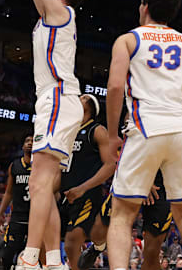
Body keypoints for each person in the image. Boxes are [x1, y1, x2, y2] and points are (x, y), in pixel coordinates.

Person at [0, 0, 89, 270]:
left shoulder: (60, 12)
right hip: (55, 100)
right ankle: (53, 260)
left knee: (38, 183)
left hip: (57, 98)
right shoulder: (49, 13)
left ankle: (29, 257)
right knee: (43, 185)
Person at [104, 0, 182, 270]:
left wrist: (113, 134)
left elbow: (115, 87)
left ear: (145, 7)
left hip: (147, 127)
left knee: (122, 214)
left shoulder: (128, 39)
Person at [78, 110, 182, 270]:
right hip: (137, 170)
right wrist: (146, 177)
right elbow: (128, 141)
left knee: (152, 252)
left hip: (164, 183)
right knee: (99, 232)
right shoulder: (141, 99)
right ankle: (97, 248)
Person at [60, 94, 122, 270]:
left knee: (71, 243)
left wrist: (82, 188)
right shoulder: (68, 132)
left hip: (85, 194)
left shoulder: (96, 130)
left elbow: (111, 165)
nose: (79, 98)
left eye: (83, 97)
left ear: (91, 106)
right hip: (65, 195)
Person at [0, 136, 33, 270]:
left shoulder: (41, 165)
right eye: (27, 141)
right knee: (7, 256)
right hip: (17, 216)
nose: (30, 143)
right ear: (23, 146)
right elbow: (9, 192)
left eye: (33, 141)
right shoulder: (15, 165)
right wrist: (1, 213)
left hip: (36, 217)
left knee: (33, 257)